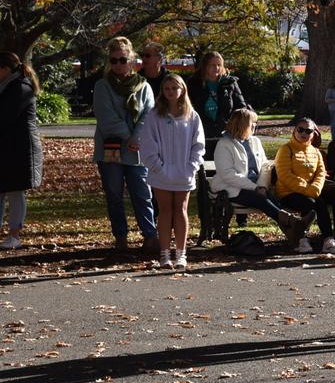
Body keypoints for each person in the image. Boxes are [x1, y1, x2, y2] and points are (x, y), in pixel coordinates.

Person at [94, 36, 159, 255]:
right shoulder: (102, 86)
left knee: (142, 193)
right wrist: (128, 136)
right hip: (111, 150)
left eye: (122, 59)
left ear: (132, 60)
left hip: (137, 151)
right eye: (113, 60)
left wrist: (138, 137)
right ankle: (120, 237)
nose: (118, 64)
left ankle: (150, 236)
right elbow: (106, 118)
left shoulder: (144, 86)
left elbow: (149, 114)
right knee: (114, 195)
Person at [211, 108, 313, 238]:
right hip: (232, 188)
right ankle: (296, 225)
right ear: (242, 125)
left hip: (257, 187)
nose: (255, 125)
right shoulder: (224, 144)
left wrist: (262, 185)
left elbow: (265, 166)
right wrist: (255, 187)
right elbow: (228, 175)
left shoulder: (255, 141)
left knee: (273, 202)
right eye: (252, 122)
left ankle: (294, 231)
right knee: (262, 200)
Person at [139, 74, 205, 269]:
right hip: (161, 174)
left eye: (174, 88)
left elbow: (198, 145)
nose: (170, 92)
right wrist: (158, 167)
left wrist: (191, 166)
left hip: (184, 173)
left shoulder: (191, 115)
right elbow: (148, 144)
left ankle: (181, 254)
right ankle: (165, 254)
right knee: (165, 211)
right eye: (166, 88)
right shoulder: (154, 114)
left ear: (182, 90)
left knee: (181, 210)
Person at [274, 118, 335, 255]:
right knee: (314, 201)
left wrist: (316, 188)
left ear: (313, 134)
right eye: (300, 129)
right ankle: (305, 239)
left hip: (312, 190)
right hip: (288, 192)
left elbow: (321, 173)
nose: (303, 133)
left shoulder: (316, 152)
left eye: (308, 131)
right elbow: (285, 176)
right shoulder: (285, 149)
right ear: (294, 130)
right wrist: (309, 190)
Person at [0, 53, 44, 250]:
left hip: (20, 149)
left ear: (5, 69)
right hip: (7, 146)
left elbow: (5, 117)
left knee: (15, 191)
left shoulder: (20, 87)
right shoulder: (8, 86)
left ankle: (14, 234)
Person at [187, 51, 249, 155]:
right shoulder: (194, 84)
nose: (216, 68)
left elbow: (241, 107)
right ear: (205, 66)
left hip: (226, 133)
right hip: (202, 132)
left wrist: (235, 126)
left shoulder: (230, 83)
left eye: (219, 65)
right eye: (213, 65)